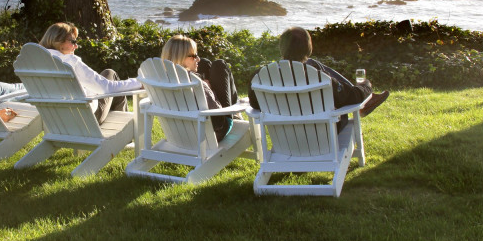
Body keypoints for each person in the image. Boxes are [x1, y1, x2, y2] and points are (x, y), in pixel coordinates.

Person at [248, 26, 389, 131]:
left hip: (285, 139)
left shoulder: (260, 77)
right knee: (313, 64)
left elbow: (255, 105)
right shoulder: (320, 78)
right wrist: (366, 85)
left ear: (281, 48)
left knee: (313, 64)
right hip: (324, 135)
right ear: (309, 49)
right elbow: (353, 97)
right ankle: (368, 99)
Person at [39, 22, 142, 124]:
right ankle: (124, 132)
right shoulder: (70, 62)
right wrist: (138, 82)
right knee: (111, 75)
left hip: (56, 120)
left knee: (107, 73)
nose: (76, 46)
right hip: (86, 119)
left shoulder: (37, 63)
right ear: (58, 41)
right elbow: (107, 87)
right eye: (73, 41)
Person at [160, 35, 239, 142]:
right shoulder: (196, 83)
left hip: (182, 132)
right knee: (220, 65)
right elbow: (216, 112)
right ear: (181, 57)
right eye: (193, 56)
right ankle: (236, 112)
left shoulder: (162, 79)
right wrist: (209, 88)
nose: (198, 58)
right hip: (215, 131)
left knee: (205, 63)